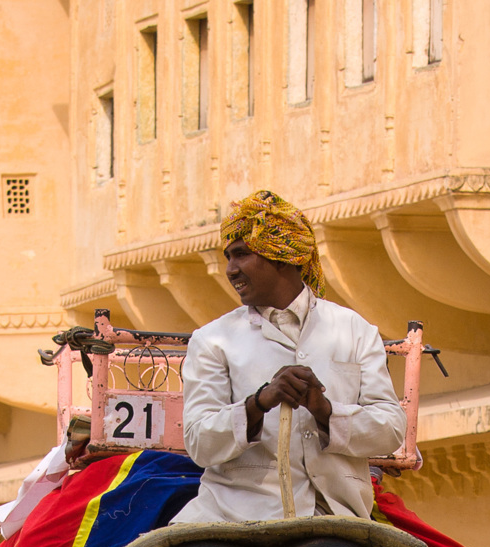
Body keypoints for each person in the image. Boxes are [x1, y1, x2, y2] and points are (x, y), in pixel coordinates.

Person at [172, 189, 406, 524]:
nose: (230, 270)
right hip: (232, 516)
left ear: (281, 256)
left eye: (241, 255)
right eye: (229, 257)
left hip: (339, 514)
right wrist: (258, 403)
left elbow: (391, 430)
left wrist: (324, 410)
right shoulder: (212, 340)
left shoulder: (354, 329)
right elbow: (199, 443)